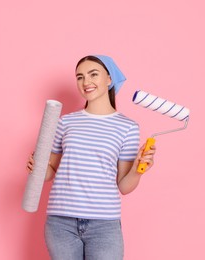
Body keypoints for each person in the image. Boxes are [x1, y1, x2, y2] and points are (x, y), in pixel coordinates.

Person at [26, 55, 156, 260]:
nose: (86, 82)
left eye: (93, 74)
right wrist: (38, 167)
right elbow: (50, 173)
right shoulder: (65, 122)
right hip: (61, 223)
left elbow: (124, 186)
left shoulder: (128, 127)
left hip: (104, 225)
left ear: (109, 79)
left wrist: (138, 169)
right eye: (80, 77)